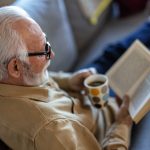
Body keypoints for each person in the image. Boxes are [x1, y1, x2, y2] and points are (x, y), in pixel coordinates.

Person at [0, 6, 132, 150]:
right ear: (15, 67)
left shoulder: (11, 79)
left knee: (111, 54)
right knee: (134, 67)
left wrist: (69, 81)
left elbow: (39, 79)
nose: (52, 54)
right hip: (109, 121)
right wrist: (122, 126)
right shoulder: (55, 132)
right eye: (43, 50)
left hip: (81, 98)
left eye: (46, 42)